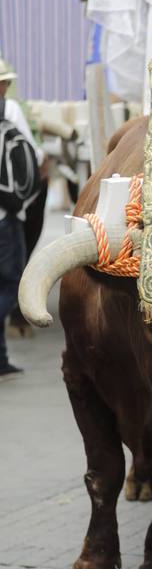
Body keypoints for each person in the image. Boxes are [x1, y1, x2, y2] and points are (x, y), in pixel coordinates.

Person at [0, 59, 43, 380]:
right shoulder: (10, 110)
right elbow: (34, 155)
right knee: (12, 281)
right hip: (5, 213)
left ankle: (1, 361)